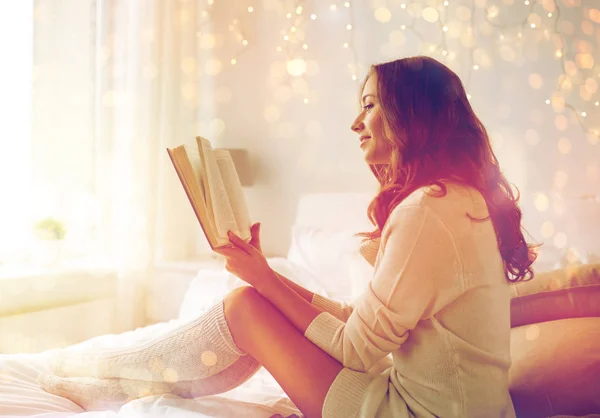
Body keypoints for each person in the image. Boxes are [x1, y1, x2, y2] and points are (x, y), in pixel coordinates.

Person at [39, 55, 537, 417]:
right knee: (250, 300)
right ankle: (114, 379)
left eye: (368, 105)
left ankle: (108, 378)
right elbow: (360, 326)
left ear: (411, 115)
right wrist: (266, 274)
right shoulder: (459, 200)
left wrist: (265, 283)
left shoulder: (427, 210)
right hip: (457, 406)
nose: (355, 123)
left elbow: (354, 349)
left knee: (244, 308)